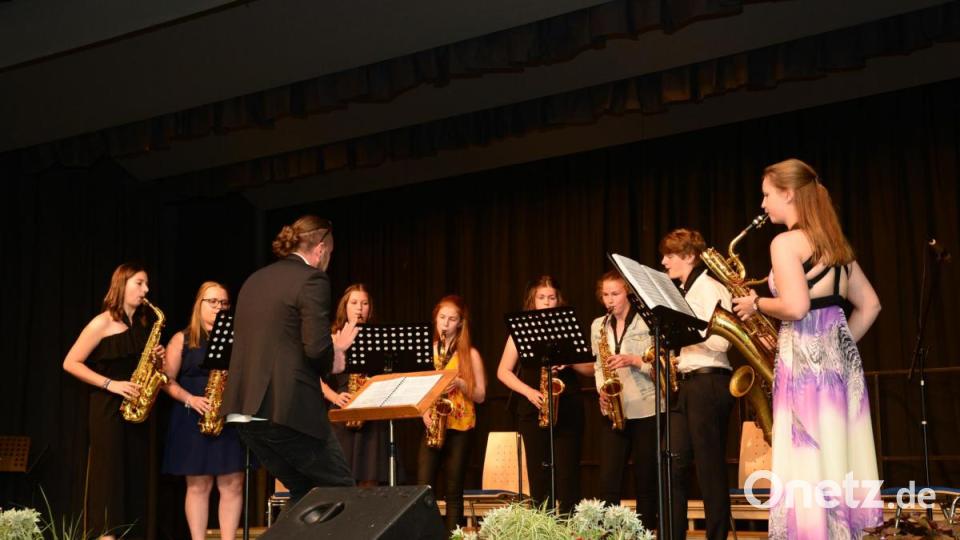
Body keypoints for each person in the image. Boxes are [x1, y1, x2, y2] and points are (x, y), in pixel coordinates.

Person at [731, 158, 883, 540]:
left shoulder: (784, 243)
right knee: (839, 459)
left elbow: (796, 307)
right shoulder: (836, 245)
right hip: (840, 372)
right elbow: (871, 305)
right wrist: (836, 350)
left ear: (787, 193)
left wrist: (756, 305)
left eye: (767, 195)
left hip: (804, 371)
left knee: (807, 465)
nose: (763, 205)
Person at [221, 215, 358, 507]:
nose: (328, 261)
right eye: (329, 255)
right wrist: (334, 357)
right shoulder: (313, 279)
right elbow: (316, 349)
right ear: (320, 249)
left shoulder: (254, 280)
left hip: (245, 413)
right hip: (287, 409)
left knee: (303, 492)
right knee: (341, 489)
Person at [62, 263, 166, 540]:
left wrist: (157, 360)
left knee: (131, 478)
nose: (146, 290)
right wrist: (112, 384)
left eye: (146, 284)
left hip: (135, 410)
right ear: (121, 283)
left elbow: (146, 369)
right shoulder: (102, 322)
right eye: (139, 283)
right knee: (108, 479)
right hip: (107, 408)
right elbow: (70, 363)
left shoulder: (142, 325)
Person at [658, 229, 734, 540]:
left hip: (708, 383)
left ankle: (716, 535)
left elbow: (721, 343)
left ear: (689, 256)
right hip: (687, 384)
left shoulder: (710, 288)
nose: (664, 262)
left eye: (670, 256)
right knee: (674, 463)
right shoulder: (686, 292)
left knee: (709, 469)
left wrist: (684, 332)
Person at [160, 282, 245, 540]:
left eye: (224, 303)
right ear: (199, 304)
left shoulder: (238, 338)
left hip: (227, 415)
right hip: (192, 416)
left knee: (233, 483)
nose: (219, 307)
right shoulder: (182, 338)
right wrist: (191, 400)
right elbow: (165, 380)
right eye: (213, 302)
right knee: (198, 485)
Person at [496, 276, 588, 513]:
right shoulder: (521, 329)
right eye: (541, 297)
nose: (547, 302)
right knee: (539, 478)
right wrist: (529, 392)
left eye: (551, 297)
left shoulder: (568, 326)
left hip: (567, 407)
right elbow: (502, 372)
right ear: (533, 300)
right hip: (533, 407)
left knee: (568, 476)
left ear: (558, 300)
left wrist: (570, 362)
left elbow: (590, 369)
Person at [590, 271, 660, 528]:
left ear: (627, 292)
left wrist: (633, 360)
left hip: (647, 407)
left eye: (615, 294)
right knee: (608, 481)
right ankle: (607, 533)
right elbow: (599, 366)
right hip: (614, 410)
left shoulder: (648, 321)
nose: (610, 300)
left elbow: (662, 365)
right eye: (605, 295)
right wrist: (602, 391)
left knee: (646, 481)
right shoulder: (598, 325)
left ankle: (645, 533)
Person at [417, 295, 486, 531]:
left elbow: (481, 395)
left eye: (452, 319)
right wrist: (423, 413)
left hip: (460, 425)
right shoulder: (427, 352)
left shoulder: (470, 354)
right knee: (423, 486)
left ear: (460, 323)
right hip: (433, 423)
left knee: (454, 490)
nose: (445, 323)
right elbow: (417, 389)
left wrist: (461, 383)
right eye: (442, 317)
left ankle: (452, 535)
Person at [321, 284, 393, 486]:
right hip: (343, 408)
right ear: (345, 307)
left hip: (372, 410)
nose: (359, 308)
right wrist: (334, 397)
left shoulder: (379, 338)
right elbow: (312, 376)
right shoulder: (332, 337)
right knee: (341, 480)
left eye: (364, 303)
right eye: (354, 303)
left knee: (370, 481)